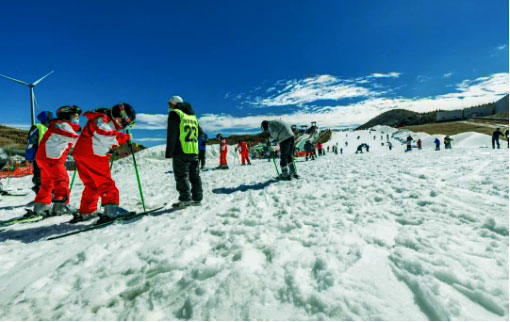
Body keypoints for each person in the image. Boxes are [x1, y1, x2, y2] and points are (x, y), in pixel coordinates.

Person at [71, 103, 135, 222]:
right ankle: (111, 210)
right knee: (106, 183)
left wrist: (111, 149)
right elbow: (103, 134)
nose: (123, 124)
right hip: (93, 155)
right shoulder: (101, 119)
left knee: (92, 185)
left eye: (127, 122)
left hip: (84, 153)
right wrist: (124, 138)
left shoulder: (102, 119)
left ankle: (87, 211)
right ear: (117, 114)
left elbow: (100, 137)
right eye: (124, 120)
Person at [33, 106, 81, 216]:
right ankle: (61, 206)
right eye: (75, 115)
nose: (77, 118)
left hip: (45, 158)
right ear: (66, 115)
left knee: (47, 183)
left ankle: (41, 206)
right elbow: (75, 139)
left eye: (78, 116)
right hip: (52, 159)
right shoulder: (63, 125)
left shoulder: (58, 125)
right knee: (62, 180)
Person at [166, 101, 203, 208]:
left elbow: (172, 134)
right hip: (194, 151)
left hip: (180, 150)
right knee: (195, 176)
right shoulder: (193, 117)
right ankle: (197, 198)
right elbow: (201, 134)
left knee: (182, 176)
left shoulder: (175, 113)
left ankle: (185, 199)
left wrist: (169, 152)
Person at [25, 111, 52, 194]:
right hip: (48, 156)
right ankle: (44, 198)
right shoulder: (52, 128)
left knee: (41, 178)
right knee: (45, 178)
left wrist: (29, 157)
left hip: (42, 157)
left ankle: (44, 198)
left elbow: (31, 143)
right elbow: (32, 143)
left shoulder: (39, 127)